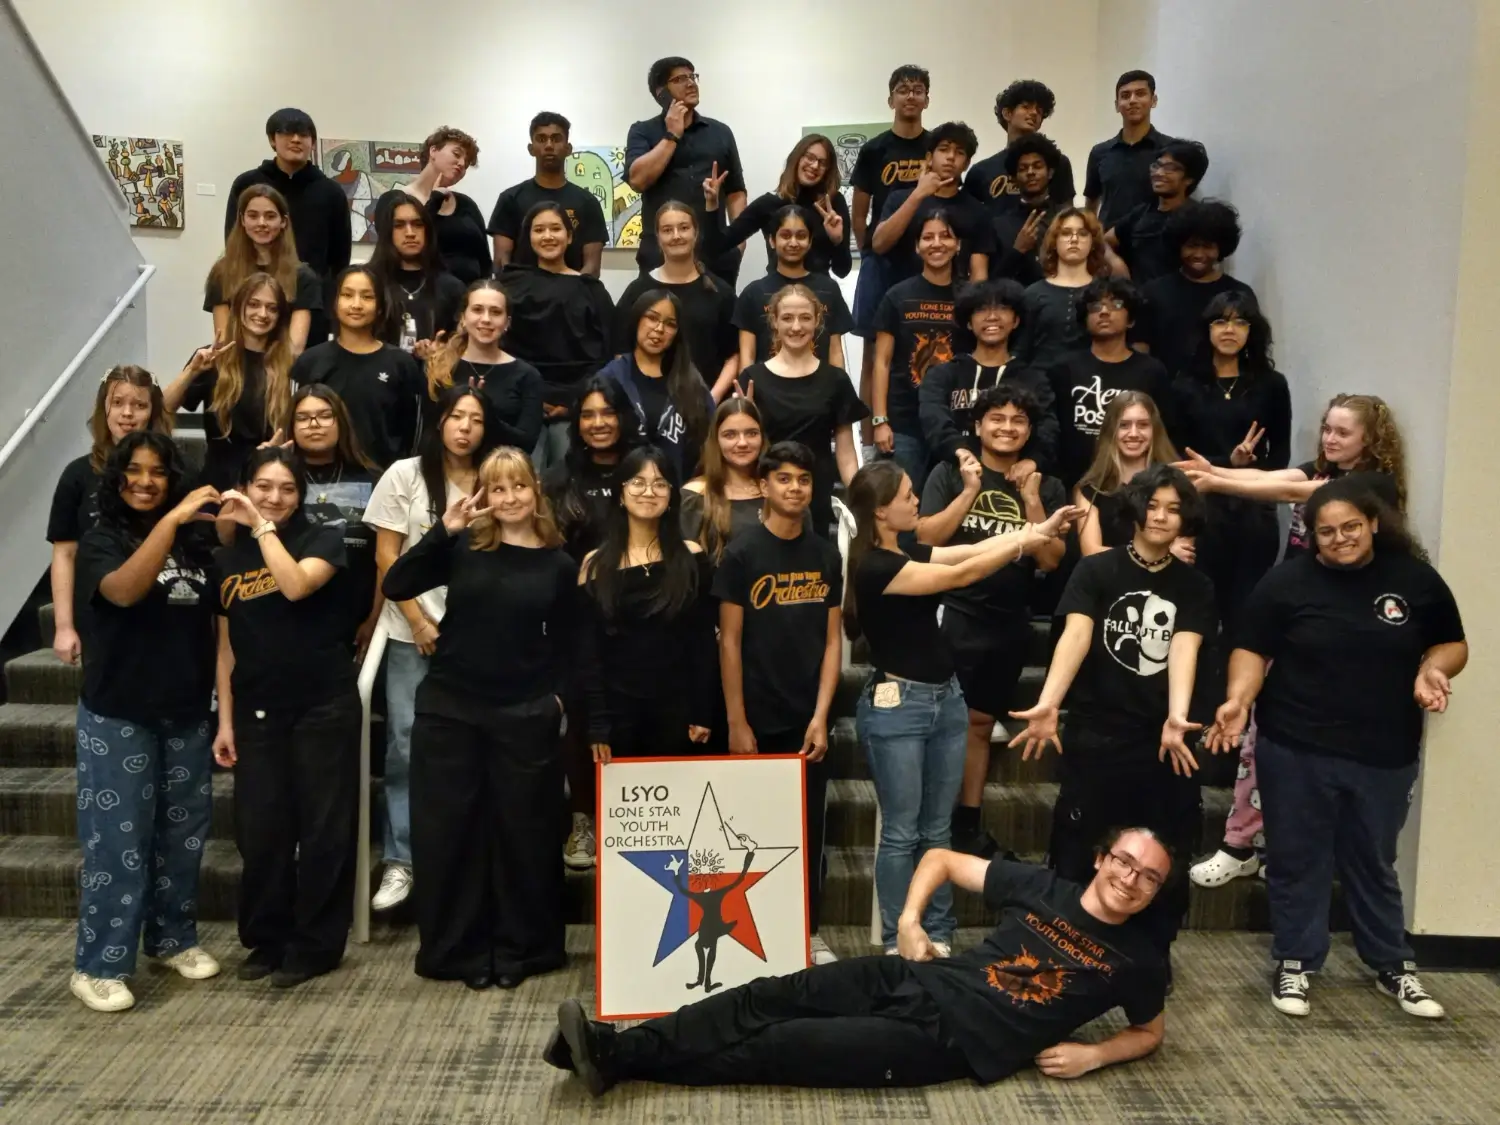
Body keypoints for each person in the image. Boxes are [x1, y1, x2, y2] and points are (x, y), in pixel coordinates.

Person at [550, 832, 1170, 1094]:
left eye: (1148, 877)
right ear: (1101, 858)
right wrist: (907, 923)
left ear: (1155, 890)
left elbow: (1151, 1031)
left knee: (782, 1045)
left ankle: (616, 1060)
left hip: (953, 1041)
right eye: (1124, 862)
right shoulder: (1042, 885)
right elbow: (942, 859)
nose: (1131, 880)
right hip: (917, 977)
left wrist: (1095, 1054)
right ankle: (614, 1048)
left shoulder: (1138, 959)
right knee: (768, 995)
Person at [1206, 479, 1465, 1020]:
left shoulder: (1415, 580)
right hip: (1295, 745)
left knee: (1373, 859)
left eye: (1351, 527)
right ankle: (1296, 962)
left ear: (1373, 523)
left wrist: (1432, 669)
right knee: (1298, 857)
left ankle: (1392, 964)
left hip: (1385, 750)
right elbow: (1250, 648)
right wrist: (1238, 699)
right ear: (1312, 536)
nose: (1341, 538)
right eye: (1327, 532)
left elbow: (1451, 641)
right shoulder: (1286, 583)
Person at [845, 460, 1073, 954]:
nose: (915, 502)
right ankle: (896, 937)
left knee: (937, 828)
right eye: (908, 496)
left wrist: (1036, 533)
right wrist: (1023, 544)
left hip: (947, 700)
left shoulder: (902, 547)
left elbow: (968, 548)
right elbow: (965, 572)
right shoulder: (875, 565)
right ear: (882, 511)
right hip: (898, 708)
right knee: (902, 833)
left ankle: (941, 933)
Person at [1179, 393, 1405, 889]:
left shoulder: (1374, 486)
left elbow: (1297, 495)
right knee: (1260, 731)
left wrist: (1217, 481)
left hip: (1338, 630)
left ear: (1371, 438)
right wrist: (1221, 471)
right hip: (1290, 615)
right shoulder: (1319, 470)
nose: (1330, 438)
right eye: (1327, 428)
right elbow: (1278, 479)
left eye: (1342, 432)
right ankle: (1241, 842)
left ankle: (1257, 845)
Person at [383, 448, 575, 991]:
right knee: (452, 834)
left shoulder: (558, 563)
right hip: (451, 709)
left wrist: (556, 702)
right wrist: (443, 530)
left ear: (535, 491)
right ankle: (458, 951)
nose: (509, 498)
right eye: (497, 489)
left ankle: (521, 949)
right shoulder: (464, 546)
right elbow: (396, 583)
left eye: (518, 487)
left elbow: (571, 645)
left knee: (524, 835)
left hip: (523, 714)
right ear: (483, 497)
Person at [1008, 464, 1214, 964]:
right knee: (1079, 849)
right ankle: (1065, 954)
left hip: (1164, 744)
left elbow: (1184, 648)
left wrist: (1177, 715)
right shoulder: (1096, 570)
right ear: (1135, 509)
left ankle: (1147, 961)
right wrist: (1050, 702)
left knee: (1162, 853)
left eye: (1174, 509)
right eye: (1154, 505)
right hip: (1097, 735)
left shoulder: (1194, 585)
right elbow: (1076, 636)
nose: (1163, 516)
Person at [68, 432, 220, 1012]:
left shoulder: (194, 542)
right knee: (120, 843)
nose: (146, 482)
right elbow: (126, 591)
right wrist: (174, 520)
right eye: (134, 471)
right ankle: (97, 965)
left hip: (184, 710)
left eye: (158, 472)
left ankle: (172, 938)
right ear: (116, 477)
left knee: (182, 838)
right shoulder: (102, 540)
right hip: (118, 713)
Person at [212, 447, 359, 987]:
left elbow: (296, 586)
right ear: (246, 487)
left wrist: (260, 531)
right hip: (255, 709)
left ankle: (316, 944)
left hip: (324, 703)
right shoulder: (226, 557)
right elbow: (226, 647)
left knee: (323, 831)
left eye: (286, 489)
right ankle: (266, 939)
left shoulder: (322, 536)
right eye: (263, 487)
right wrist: (225, 722)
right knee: (261, 832)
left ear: (301, 496)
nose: (273, 498)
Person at [917, 387, 1068, 857]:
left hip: (1008, 623)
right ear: (978, 427)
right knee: (935, 723)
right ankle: (927, 825)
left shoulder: (1047, 484)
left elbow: (1051, 560)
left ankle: (967, 823)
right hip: (952, 613)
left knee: (980, 725)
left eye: (1018, 420)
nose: (1007, 427)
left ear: (1030, 430)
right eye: (996, 418)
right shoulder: (949, 471)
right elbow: (924, 537)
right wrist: (969, 491)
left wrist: (1031, 501)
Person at [713, 442, 844, 964]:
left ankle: (805, 932)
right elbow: (729, 641)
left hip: (806, 718)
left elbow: (834, 641)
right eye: (784, 479)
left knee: (807, 832)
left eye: (804, 480)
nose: (795, 488)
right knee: (747, 832)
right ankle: (741, 933)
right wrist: (736, 720)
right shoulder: (743, 551)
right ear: (763, 487)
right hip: (755, 715)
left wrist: (820, 716)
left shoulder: (826, 554)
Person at [363, 385, 491, 912]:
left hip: (475, 638)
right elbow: (387, 559)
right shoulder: (405, 474)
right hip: (407, 631)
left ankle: (461, 858)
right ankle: (402, 860)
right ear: (440, 423)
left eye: (476, 419)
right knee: (404, 746)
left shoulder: (493, 479)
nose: (465, 426)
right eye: (456, 416)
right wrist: (417, 621)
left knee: (472, 751)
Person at [545, 376, 645, 871]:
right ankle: (583, 818)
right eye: (587, 414)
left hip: (640, 617)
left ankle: (635, 822)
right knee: (582, 718)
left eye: (607, 413)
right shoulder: (558, 479)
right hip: (577, 620)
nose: (598, 423)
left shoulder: (644, 470)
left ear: (624, 417)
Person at [577, 445, 715, 760]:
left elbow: (703, 640)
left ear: (670, 497)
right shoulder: (594, 565)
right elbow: (588, 652)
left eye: (660, 483)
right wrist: (598, 724)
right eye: (637, 482)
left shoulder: (692, 556)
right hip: (617, 714)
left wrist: (702, 710)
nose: (648, 492)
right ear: (621, 494)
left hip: (678, 711)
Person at [1169, 291, 1291, 627]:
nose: (1229, 329)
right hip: (1201, 506)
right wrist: (1229, 463)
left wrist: (1244, 470)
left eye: (1240, 322)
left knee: (1246, 609)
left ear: (1253, 331)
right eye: (1220, 321)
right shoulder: (1185, 385)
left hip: (1253, 507)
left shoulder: (1272, 385)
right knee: (1201, 605)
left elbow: (1281, 459)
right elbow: (1177, 455)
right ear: (1206, 329)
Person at [49, 365, 171, 667]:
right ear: (104, 408)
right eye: (118, 403)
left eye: (139, 405)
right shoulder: (78, 475)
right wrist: (64, 627)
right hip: (99, 616)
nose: (127, 413)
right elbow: (64, 553)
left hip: (165, 612)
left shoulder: (176, 471)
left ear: (153, 412)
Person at [737, 284, 866, 532]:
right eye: (787, 318)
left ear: (817, 321)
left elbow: (846, 454)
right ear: (774, 321)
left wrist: (863, 499)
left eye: (805, 318)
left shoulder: (836, 380)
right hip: (766, 492)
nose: (796, 327)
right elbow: (741, 450)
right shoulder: (752, 379)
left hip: (814, 492)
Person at [500, 202, 617, 472]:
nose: (548, 236)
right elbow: (498, 346)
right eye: (539, 230)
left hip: (577, 404)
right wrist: (530, 398)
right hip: (521, 402)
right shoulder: (508, 285)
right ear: (528, 237)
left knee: (569, 483)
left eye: (556, 229)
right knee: (524, 481)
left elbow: (607, 356)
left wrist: (574, 402)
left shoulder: (592, 291)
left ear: (570, 236)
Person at [851, 65, 932, 452]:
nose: (911, 96)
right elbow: (859, 211)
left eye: (918, 90)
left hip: (925, 263)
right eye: (903, 90)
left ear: (927, 99)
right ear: (891, 100)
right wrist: (870, 250)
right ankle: (868, 446)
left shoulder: (937, 148)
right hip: (881, 264)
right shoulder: (874, 149)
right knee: (872, 355)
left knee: (922, 352)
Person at [225, 108, 350, 346]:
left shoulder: (331, 192)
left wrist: (328, 307)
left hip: (311, 304)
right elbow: (234, 241)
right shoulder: (247, 183)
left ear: (312, 143)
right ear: (273, 139)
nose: (296, 140)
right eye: (287, 133)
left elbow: (340, 259)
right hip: (254, 303)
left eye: (303, 135)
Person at [871, 212, 971, 490]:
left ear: (958, 244)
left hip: (955, 422)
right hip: (904, 423)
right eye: (928, 237)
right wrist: (880, 420)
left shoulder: (971, 298)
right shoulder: (897, 296)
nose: (936, 244)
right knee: (901, 510)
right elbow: (881, 361)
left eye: (945, 236)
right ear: (917, 246)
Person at [165, 273, 293, 490]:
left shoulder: (290, 366)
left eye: (272, 308)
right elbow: (164, 407)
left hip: (269, 483)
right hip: (217, 483)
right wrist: (191, 372)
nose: (262, 314)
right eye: (254, 304)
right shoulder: (212, 358)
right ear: (238, 307)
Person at [289, 265, 424, 471]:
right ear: (335, 303)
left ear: (380, 306)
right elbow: (291, 424)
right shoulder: (309, 362)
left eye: (367, 297)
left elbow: (414, 433)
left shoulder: (401, 364)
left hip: (385, 481)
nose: (356, 304)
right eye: (347, 295)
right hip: (317, 481)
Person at [627, 57, 747, 284]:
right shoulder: (643, 131)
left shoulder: (721, 132)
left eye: (693, 76)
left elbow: (736, 191)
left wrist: (738, 243)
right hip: (659, 253)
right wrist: (672, 135)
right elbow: (638, 180)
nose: (691, 83)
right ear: (661, 93)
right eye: (680, 79)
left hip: (715, 253)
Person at [1049, 276, 1174, 490]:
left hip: (1136, 485)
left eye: (1116, 305)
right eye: (1095, 306)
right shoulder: (1063, 368)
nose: (1104, 312)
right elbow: (1053, 430)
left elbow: (1163, 432)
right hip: (1072, 481)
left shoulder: (1152, 371)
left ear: (1131, 319)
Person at [920, 278, 1056, 474]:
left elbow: (1048, 427)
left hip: (1015, 478)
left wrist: (1033, 461)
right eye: (982, 309)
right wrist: (959, 451)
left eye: (1001, 308)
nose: (992, 316)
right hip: (953, 474)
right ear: (968, 322)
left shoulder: (1033, 379)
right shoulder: (943, 375)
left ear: (1016, 320)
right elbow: (933, 418)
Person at [287, 384, 382, 655]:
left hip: (355, 618)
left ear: (340, 421)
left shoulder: (373, 478)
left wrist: (374, 619)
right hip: (289, 615)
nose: (314, 424)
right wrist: (261, 463)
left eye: (324, 415)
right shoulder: (277, 480)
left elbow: (386, 557)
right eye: (303, 418)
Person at [613, 202, 739, 400]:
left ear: (695, 233)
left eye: (684, 228)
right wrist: (637, 396)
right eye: (667, 230)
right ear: (658, 238)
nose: (676, 236)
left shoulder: (720, 292)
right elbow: (621, 350)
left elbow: (733, 355)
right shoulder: (637, 291)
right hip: (650, 404)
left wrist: (711, 400)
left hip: (705, 405)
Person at [601, 289, 715, 482]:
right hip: (619, 495)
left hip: (679, 495)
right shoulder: (610, 378)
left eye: (670, 324)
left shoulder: (692, 384)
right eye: (652, 318)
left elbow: (711, 446)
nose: (660, 329)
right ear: (636, 320)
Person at [705, 134, 852, 277]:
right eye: (810, 157)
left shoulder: (832, 203)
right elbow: (717, 246)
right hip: (778, 295)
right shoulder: (769, 203)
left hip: (819, 295)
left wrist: (837, 241)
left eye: (822, 162)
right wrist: (712, 204)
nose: (815, 165)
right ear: (797, 158)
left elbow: (842, 271)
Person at [424, 278, 544, 452]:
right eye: (477, 310)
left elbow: (526, 444)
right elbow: (428, 432)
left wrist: (487, 415)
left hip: (499, 473)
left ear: (507, 323)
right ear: (463, 318)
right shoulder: (439, 366)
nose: (486, 319)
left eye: (495, 312)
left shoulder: (527, 376)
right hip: (446, 469)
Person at [1140, 199, 1256, 377]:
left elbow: (1251, 350)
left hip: (1221, 394)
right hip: (1165, 393)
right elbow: (1141, 349)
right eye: (1192, 246)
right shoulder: (1154, 291)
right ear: (1179, 246)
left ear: (1221, 248)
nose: (1199, 254)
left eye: (1208, 247)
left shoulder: (1240, 294)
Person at [731, 205, 854, 368]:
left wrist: (840, 391)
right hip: (767, 390)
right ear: (772, 240)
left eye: (801, 236)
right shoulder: (753, 294)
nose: (793, 243)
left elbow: (836, 352)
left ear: (810, 241)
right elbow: (747, 357)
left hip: (820, 389)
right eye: (785, 235)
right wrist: (746, 392)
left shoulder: (828, 289)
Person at [488, 112, 609, 277]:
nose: (549, 145)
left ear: (568, 149)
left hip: (572, 295)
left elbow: (592, 267)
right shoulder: (510, 199)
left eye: (556, 138)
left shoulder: (587, 202)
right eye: (541, 139)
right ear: (531, 149)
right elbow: (501, 263)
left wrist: (571, 290)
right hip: (521, 296)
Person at [871, 122, 993, 285]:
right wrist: (917, 195)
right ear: (929, 157)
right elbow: (879, 245)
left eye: (959, 152)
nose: (951, 157)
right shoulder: (899, 199)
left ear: (966, 163)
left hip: (955, 301)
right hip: (902, 299)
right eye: (944, 149)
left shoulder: (978, 211)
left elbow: (979, 274)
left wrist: (972, 306)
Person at [206, 185, 321, 353]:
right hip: (234, 366)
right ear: (242, 220)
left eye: (270, 216)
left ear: (283, 222)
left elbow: (295, 347)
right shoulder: (223, 272)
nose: (261, 223)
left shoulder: (303, 277)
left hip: (281, 370)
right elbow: (224, 339)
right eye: (253, 216)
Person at [377, 127, 490, 285]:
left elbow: (484, 260)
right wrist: (434, 200)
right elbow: (395, 250)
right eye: (457, 154)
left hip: (468, 299)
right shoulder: (394, 200)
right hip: (422, 294)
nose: (462, 164)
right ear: (433, 151)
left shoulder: (467, 205)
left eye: (467, 162)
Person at [1074, 393, 1182, 555]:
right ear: (1111, 431)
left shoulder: (1177, 481)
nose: (1133, 433)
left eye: (1143, 425)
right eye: (1123, 425)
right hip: (1108, 578)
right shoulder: (1090, 489)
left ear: (1155, 430)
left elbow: (1183, 550)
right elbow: (1091, 552)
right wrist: (1150, 556)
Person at [682, 398, 786, 561]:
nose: (742, 443)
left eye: (751, 433)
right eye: (730, 435)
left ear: (762, 437)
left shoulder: (781, 491)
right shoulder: (693, 497)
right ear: (716, 440)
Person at [1011, 208, 1110, 374]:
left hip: (1093, 386)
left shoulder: (1106, 293)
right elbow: (1020, 352)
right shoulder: (1032, 294)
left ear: (1093, 243)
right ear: (1054, 242)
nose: (1074, 239)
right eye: (1065, 233)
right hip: (1040, 388)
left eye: (1083, 233)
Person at [366, 194, 465, 353]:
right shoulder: (368, 282)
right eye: (399, 225)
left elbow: (462, 345)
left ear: (427, 230)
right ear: (388, 232)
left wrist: (440, 352)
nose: (410, 233)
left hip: (434, 374)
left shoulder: (451, 287)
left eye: (417, 224)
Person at [1106, 140, 1210, 284]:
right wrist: (1115, 262)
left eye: (1171, 168)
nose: (1159, 173)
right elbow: (1103, 241)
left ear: (1189, 179)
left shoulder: (1198, 217)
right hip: (1138, 300)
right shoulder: (1142, 213)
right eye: (1157, 166)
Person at [964, 80, 1078, 207]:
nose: (1034, 113)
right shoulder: (981, 172)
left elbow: (1067, 216)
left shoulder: (1057, 163)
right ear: (1007, 114)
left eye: (1039, 111)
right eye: (1026, 106)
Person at [1085, 71, 1174, 231]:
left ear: (1153, 100)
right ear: (1117, 105)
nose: (1132, 100)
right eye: (1125, 96)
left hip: (1155, 245)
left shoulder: (1170, 150)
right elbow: (1091, 204)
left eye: (1140, 94)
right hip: (1107, 247)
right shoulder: (1100, 152)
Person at [988, 133, 1069, 285]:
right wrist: (1017, 250)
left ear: (1050, 173)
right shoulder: (999, 226)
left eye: (1037, 166)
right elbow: (992, 283)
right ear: (1014, 177)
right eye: (1023, 168)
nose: (1031, 172)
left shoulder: (1068, 220)